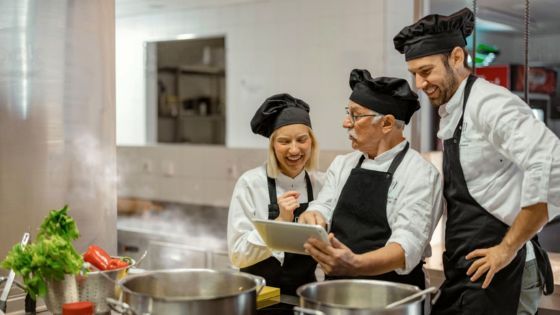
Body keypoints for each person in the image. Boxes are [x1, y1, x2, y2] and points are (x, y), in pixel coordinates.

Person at [394, 7, 559, 315]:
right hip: (469, 272)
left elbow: (552, 164)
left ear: (457, 57)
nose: (419, 83)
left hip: (504, 274)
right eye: (414, 74)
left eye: (426, 71)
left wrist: (507, 248)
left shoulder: (490, 104)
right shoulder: (456, 110)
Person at [300, 69, 443, 291]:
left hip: (394, 295)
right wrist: (312, 216)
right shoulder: (343, 164)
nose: (345, 123)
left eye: (355, 116)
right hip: (338, 289)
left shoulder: (419, 173)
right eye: (348, 113)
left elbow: (406, 246)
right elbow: (323, 206)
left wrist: (355, 264)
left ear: (386, 123)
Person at [227, 93, 324, 295]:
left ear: (311, 142)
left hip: (304, 293)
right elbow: (237, 255)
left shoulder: (322, 184)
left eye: (301, 139)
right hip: (262, 294)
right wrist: (279, 222)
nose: (294, 149)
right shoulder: (251, 184)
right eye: (284, 141)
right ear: (272, 145)